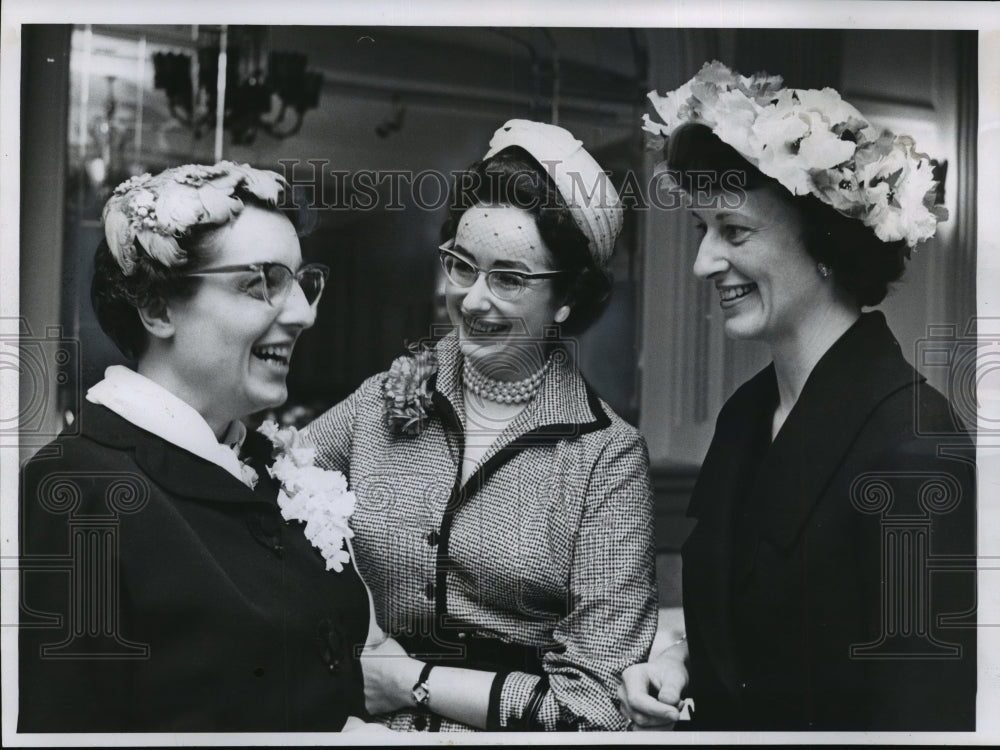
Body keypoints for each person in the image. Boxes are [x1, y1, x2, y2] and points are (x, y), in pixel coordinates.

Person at [619, 62, 976, 731]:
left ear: (826, 246)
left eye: (734, 230)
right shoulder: (746, 416)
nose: (703, 263)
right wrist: (679, 661)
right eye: (702, 231)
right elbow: (761, 634)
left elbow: (925, 717)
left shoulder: (914, 442)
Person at [308, 119, 658, 731]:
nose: (472, 300)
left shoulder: (606, 457)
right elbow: (271, 486)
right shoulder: (381, 400)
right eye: (462, 266)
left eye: (510, 278)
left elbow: (598, 707)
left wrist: (410, 682)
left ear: (568, 298)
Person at [18, 162, 378, 732]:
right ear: (158, 308)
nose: (305, 314)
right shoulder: (78, 492)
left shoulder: (264, 465)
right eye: (261, 282)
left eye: (302, 282)